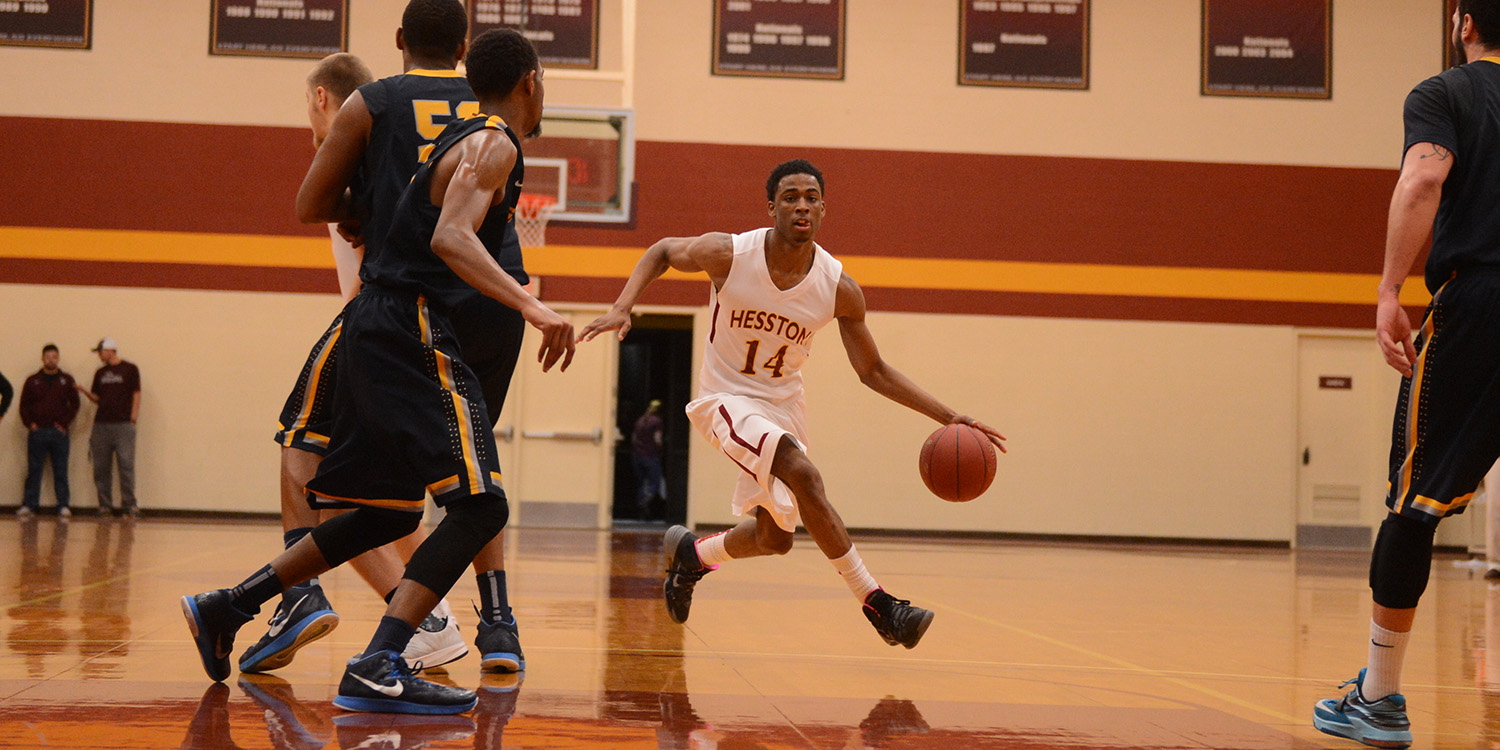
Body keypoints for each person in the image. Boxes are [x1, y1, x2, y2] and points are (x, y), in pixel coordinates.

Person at [182, 27, 572, 715]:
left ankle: (227, 606)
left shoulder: (460, 139)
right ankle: (382, 659)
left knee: (379, 513)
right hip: (411, 326)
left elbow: (365, 212)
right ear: (530, 83)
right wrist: (532, 307)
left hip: (373, 323)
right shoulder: (493, 141)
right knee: (482, 504)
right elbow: (449, 236)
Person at [578, 159, 1007, 649]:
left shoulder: (838, 288)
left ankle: (693, 555)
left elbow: (874, 371)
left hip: (783, 408)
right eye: (790, 196)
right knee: (803, 476)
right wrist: (621, 305)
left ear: (823, 209)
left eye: (810, 197)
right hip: (725, 398)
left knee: (774, 538)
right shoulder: (729, 254)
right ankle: (879, 605)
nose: (801, 204)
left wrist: (948, 416)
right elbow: (661, 251)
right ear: (772, 207)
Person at [266, 0, 533, 677]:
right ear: (467, 46)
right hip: (489, 303)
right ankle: (495, 617)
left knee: (304, 443)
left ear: (399, 42)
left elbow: (309, 204)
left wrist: (360, 209)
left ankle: (298, 594)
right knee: (475, 474)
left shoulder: (373, 105)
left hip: (403, 307)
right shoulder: (490, 113)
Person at [1312, 3, 1500, 747]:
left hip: (1481, 301)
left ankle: (1380, 699)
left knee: (1414, 502)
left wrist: (1391, 290)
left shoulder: (1446, 92)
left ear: (1461, 22)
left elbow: (1424, 180)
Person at [76, 338, 141, 518]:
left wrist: (133, 419)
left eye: (100, 351)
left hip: (123, 425)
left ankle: (129, 505)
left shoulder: (130, 369)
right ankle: (105, 506)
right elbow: (97, 398)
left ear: (111, 350)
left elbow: (136, 394)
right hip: (101, 425)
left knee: (126, 466)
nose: (99, 355)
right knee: (101, 468)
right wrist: (85, 392)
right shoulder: (100, 373)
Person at [19, 344, 80, 518]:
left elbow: (75, 404)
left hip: (58, 432)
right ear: (42, 358)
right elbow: (24, 405)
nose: (51, 360)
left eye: (54, 357)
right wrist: (30, 424)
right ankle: (30, 505)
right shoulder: (32, 380)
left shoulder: (67, 380)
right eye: (47, 357)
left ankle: (62, 505)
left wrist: (64, 423)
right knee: (34, 469)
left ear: (58, 358)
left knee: (60, 470)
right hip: (37, 432)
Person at [631, 399, 666, 517]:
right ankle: (645, 501)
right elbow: (657, 439)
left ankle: (641, 506)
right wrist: (661, 450)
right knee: (654, 484)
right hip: (651, 456)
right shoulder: (657, 421)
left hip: (637, 456)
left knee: (642, 483)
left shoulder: (640, 420)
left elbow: (633, 439)